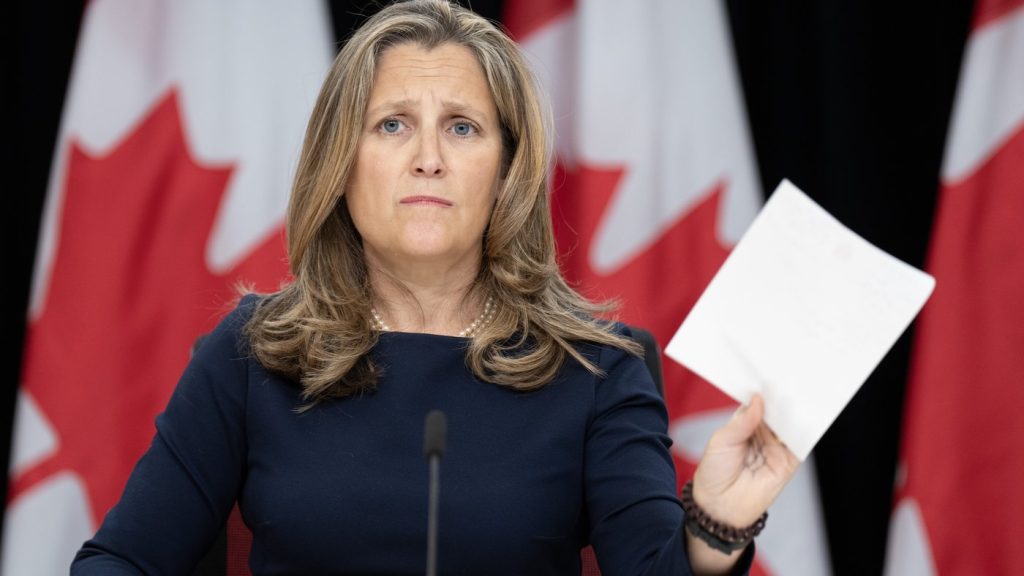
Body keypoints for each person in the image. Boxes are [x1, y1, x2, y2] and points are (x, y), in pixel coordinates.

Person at [71, 1, 799, 574]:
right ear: (342, 163)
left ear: (507, 171)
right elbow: (120, 561)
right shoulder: (251, 354)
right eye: (391, 125)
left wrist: (717, 524)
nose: (427, 159)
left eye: (461, 128)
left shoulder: (598, 367)